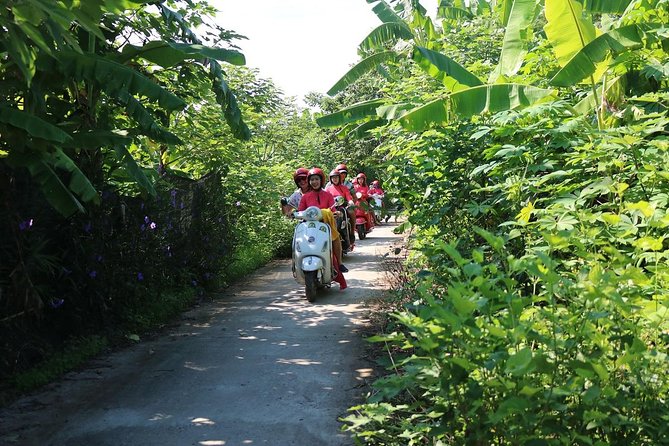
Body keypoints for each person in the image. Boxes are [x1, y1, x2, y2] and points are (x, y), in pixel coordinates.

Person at [297, 167, 348, 274]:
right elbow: (300, 211)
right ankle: (297, 263)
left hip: (325, 225)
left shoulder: (328, 195)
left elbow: (333, 208)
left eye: (316, 179)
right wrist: (295, 214)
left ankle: (339, 263)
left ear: (321, 180)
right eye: (312, 180)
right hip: (309, 227)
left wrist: (337, 213)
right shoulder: (305, 197)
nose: (314, 182)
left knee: (336, 238)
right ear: (309, 181)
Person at [325, 169, 356, 247]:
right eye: (333, 177)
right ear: (330, 179)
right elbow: (324, 198)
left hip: (343, 207)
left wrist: (350, 201)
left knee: (351, 212)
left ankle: (352, 232)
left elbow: (348, 196)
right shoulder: (328, 188)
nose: (335, 179)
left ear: (339, 178)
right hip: (331, 208)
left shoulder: (344, 187)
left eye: (336, 177)